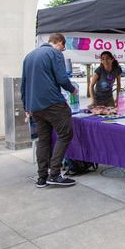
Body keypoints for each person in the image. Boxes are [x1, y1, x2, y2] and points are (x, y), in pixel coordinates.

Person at [21, 33, 78, 187]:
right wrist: (72, 90)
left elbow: (24, 83)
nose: (63, 49)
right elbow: (62, 78)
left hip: (35, 107)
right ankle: (54, 174)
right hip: (52, 103)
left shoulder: (29, 56)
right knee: (65, 134)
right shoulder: (55, 53)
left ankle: (42, 177)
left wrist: (26, 106)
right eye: (63, 46)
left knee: (43, 140)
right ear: (59, 42)